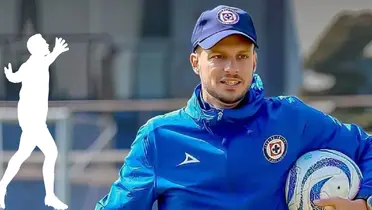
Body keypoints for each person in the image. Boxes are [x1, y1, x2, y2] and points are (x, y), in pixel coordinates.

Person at [95, 5, 372, 210]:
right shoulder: (159, 137)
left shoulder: (291, 119)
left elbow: (367, 148)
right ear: (195, 62)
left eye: (241, 56)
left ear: (254, 62)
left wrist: (365, 203)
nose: (231, 69)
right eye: (218, 57)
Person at [1, 34, 69, 210]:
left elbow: (15, 78)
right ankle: (50, 196)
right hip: (32, 119)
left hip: (33, 118)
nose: (47, 44)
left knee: (22, 154)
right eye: (44, 43)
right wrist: (56, 51)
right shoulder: (36, 63)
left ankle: (2, 186)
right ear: (37, 48)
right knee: (52, 152)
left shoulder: (30, 64)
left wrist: (10, 75)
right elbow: (46, 61)